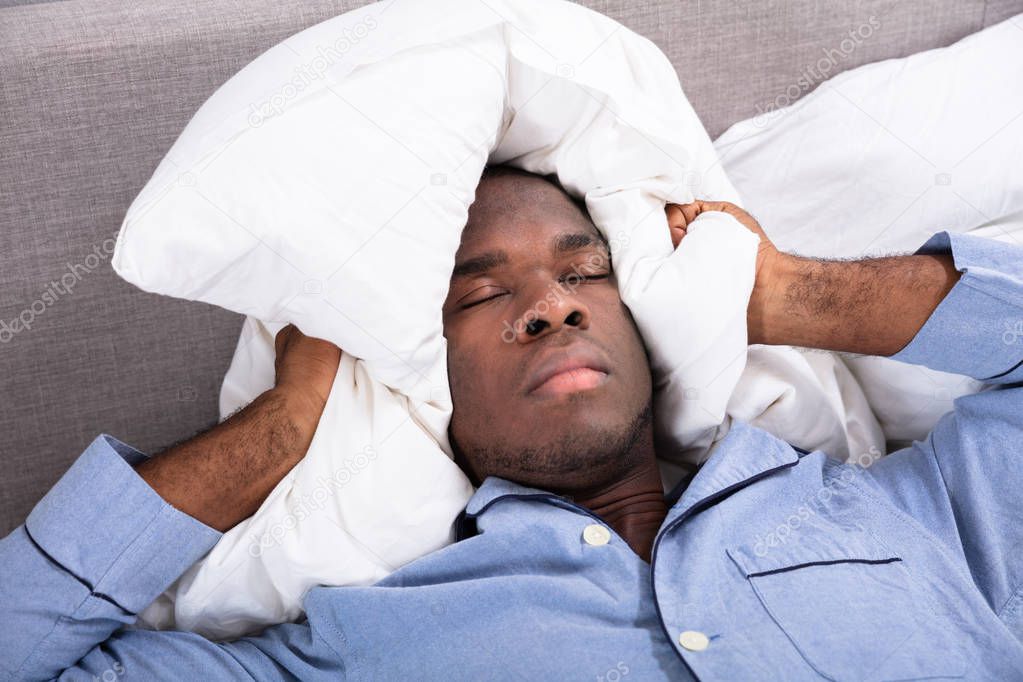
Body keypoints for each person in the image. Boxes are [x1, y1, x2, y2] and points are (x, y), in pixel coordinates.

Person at [2, 165, 1021, 680]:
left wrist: (789, 295)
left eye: (587, 272)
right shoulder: (359, 646)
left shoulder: (926, 517)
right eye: (477, 295)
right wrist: (285, 425)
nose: (553, 302)